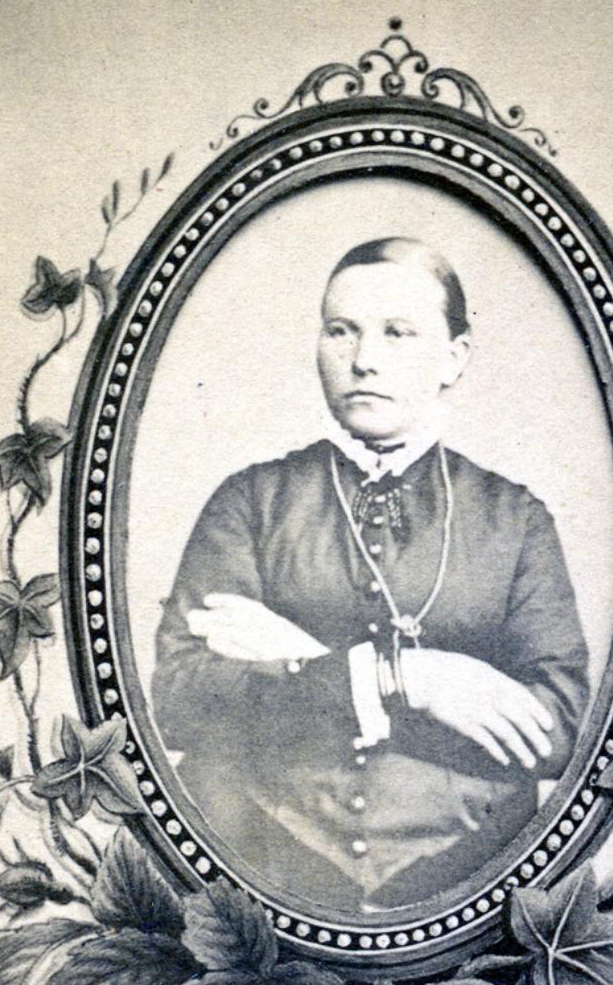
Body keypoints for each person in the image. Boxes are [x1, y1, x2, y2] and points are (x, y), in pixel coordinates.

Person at [152, 237, 589, 913]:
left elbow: (558, 735)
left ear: (454, 357)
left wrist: (307, 663)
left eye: (397, 333)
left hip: (463, 879)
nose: (363, 359)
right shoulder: (250, 502)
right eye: (341, 330)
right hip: (265, 866)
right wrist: (404, 681)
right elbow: (180, 703)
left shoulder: (515, 519)